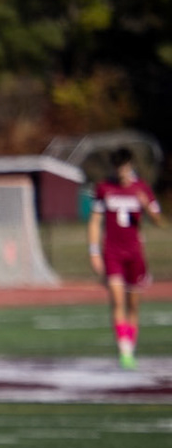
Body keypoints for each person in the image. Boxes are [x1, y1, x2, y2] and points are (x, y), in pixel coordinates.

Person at [89, 147, 164, 369]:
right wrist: (94, 252)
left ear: (130, 166)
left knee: (133, 304)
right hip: (112, 252)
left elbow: (158, 220)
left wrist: (146, 208)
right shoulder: (104, 188)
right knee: (117, 298)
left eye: (125, 168)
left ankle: (130, 345)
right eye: (118, 168)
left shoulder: (142, 188)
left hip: (135, 253)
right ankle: (124, 351)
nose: (122, 173)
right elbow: (94, 221)